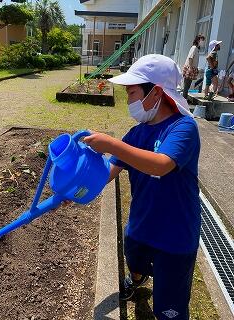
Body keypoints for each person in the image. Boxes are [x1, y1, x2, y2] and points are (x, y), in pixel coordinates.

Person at [83, 54, 201, 320]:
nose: (129, 100)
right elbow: (108, 172)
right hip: (141, 224)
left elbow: (161, 164)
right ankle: (136, 281)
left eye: (133, 92)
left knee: (169, 307)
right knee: (135, 261)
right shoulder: (137, 133)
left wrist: (112, 144)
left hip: (175, 235)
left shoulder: (183, 128)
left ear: (156, 92)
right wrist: (78, 191)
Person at [182, 34, 205, 99]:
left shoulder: (197, 49)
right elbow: (190, 58)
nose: (203, 42)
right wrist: (190, 68)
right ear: (198, 40)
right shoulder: (194, 48)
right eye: (202, 40)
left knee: (187, 86)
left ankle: (184, 99)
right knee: (186, 86)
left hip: (192, 68)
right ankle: (184, 100)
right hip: (190, 68)